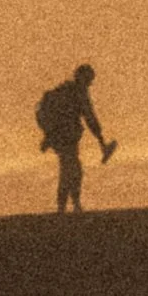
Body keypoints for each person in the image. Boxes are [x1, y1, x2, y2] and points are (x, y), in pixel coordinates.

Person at [36, 61, 116, 214]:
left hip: (60, 136)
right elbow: (90, 117)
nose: (89, 84)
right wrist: (101, 140)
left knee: (69, 169)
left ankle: (68, 206)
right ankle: (69, 206)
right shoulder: (78, 92)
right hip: (64, 137)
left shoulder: (66, 91)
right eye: (89, 80)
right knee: (72, 170)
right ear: (84, 79)